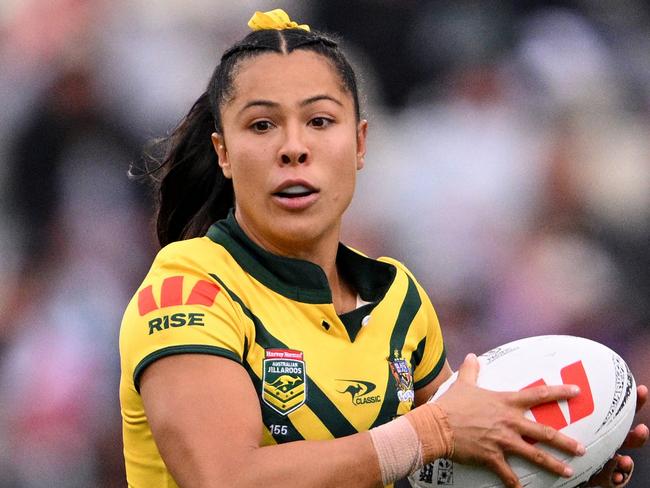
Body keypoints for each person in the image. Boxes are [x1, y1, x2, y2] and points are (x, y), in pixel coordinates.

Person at [119, 9, 648, 488]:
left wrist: (554, 470)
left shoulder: (399, 299)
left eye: (320, 121)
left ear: (360, 143)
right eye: (262, 125)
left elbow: (447, 472)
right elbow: (226, 479)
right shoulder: (186, 292)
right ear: (224, 153)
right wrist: (429, 431)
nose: (294, 147)